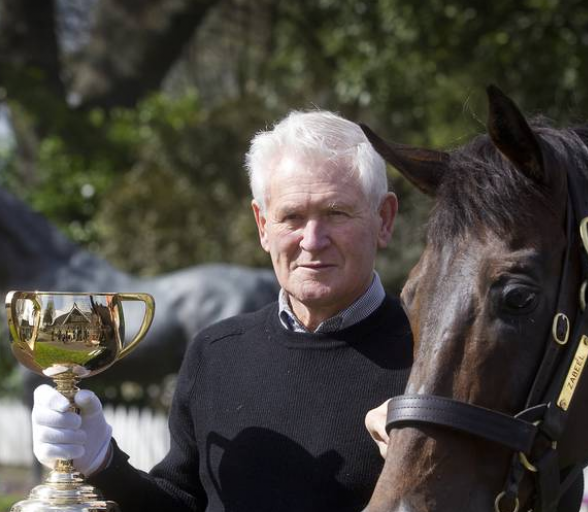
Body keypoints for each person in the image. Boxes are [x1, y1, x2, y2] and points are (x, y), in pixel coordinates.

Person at [31, 110, 413, 512]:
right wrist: (102, 463)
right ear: (263, 225)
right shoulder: (216, 352)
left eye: (336, 213)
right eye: (292, 217)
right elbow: (181, 504)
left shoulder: (436, 360)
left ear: (384, 219)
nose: (312, 240)